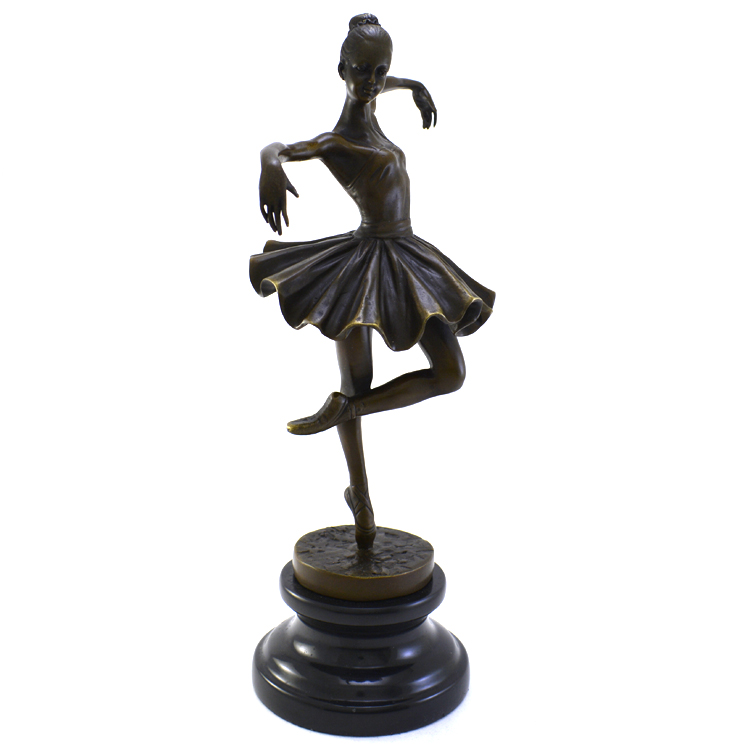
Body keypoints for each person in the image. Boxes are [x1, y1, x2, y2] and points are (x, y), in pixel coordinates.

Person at [250, 14, 495, 549]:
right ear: (341, 70)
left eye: (381, 71)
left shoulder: (376, 99)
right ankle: (360, 500)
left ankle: (346, 409)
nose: (372, 81)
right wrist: (269, 163)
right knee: (357, 376)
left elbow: (383, 85)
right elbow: (285, 148)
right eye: (362, 71)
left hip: (408, 254)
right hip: (361, 265)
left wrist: (414, 85)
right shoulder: (337, 141)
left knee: (451, 373)